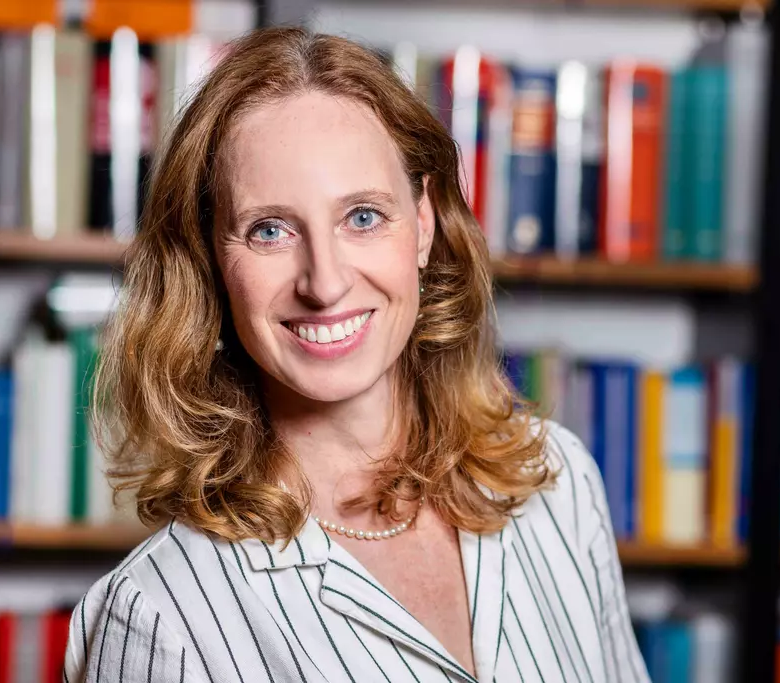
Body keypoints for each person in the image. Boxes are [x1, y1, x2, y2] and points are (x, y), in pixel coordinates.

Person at [63, 26, 650, 683]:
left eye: (363, 216)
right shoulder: (161, 616)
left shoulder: (559, 482)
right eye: (270, 230)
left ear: (423, 222)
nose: (325, 282)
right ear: (209, 263)